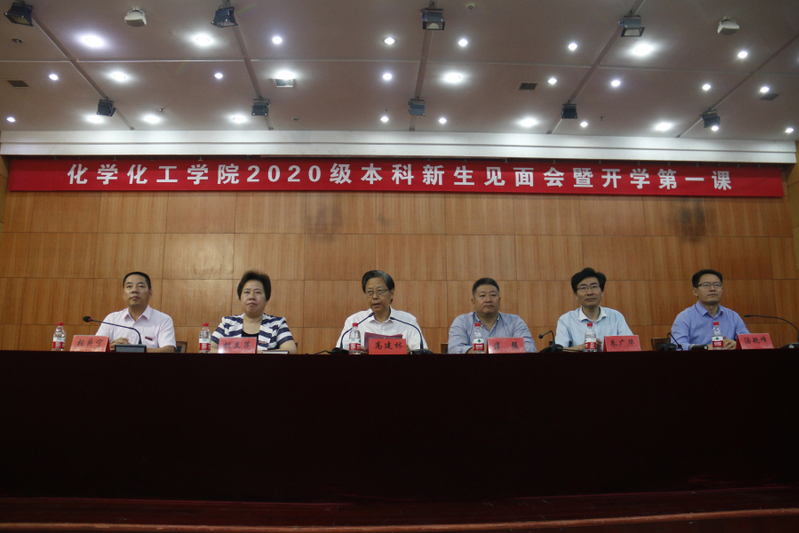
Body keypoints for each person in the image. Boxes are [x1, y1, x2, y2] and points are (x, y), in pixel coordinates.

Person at [336, 270, 427, 351]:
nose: (375, 297)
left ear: (391, 293)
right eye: (370, 292)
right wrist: (354, 352)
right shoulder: (354, 322)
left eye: (380, 291)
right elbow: (339, 354)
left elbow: (422, 355)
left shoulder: (409, 321)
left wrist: (410, 353)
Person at [211, 270, 298, 353]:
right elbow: (208, 348)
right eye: (247, 292)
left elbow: (290, 350)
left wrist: (255, 354)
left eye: (257, 292)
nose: (251, 297)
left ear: (267, 299)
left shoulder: (277, 324)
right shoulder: (228, 323)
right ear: (240, 297)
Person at [447, 277, 536, 353]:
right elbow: (454, 350)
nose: (488, 299)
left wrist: (495, 348)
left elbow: (530, 348)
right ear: (473, 302)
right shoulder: (462, 322)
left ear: (499, 300)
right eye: (482, 296)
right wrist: (491, 349)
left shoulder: (514, 321)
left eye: (493, 295)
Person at [96, 271, 176, 352]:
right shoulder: (111, 319)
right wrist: (112, 347)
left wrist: (131, 349)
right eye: (129, 286)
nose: (134, 290)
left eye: (140, 286)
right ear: (123, 294)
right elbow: (96, 347)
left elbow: (168, 350)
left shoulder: (163, 320)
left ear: (150, 293)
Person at [555, 267, 633, 351]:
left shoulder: (616, 317)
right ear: (576, 295)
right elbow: (559, 351)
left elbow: (630, 347)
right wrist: (583, 347)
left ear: (602, 292)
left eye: (594, 286)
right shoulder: (566, 320)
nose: (589, 292)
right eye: (583, 288)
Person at [671, 269, 749, 350]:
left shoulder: (733, 316)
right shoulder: (685, 317)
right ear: (695, 291)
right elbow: (677, 346)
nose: (712, 289)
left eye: (717, 285)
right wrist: (705, 348)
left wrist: (737, 345)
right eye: (706, 285)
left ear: (722, 289)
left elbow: (748, 343)